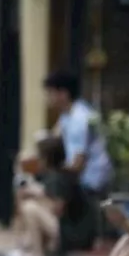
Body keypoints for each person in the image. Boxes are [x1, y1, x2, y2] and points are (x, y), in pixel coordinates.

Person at [12, 137, 97, 256]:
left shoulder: (59, 177)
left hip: (74, 233)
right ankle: (29, 250)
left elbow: (57, 209)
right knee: (31, 205)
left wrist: (39, 194)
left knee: (30, 208)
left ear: (46, 158)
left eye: (39, 156)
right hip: (71, 231)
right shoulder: (55, 174)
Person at [43, 71, 114, 199]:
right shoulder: (67, 114)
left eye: (50, 93)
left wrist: (50, 173)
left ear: (63, 94)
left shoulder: (79, 119)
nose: (48, 98)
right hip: (78, 180)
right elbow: (52, 140)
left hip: (90, 184)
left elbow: (77, 164)